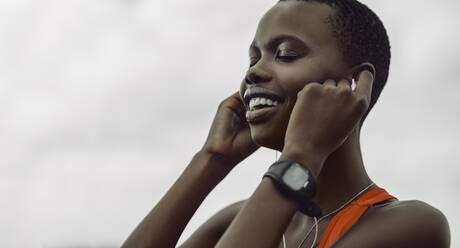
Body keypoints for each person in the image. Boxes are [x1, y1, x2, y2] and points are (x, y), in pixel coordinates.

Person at [122, 0, 450, 247]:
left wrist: (301, 157)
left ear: (352, 85)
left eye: (285, 54)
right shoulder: (232, 221)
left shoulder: (414, 226)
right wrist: (211, 160)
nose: (253, 73)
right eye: (254, 58)